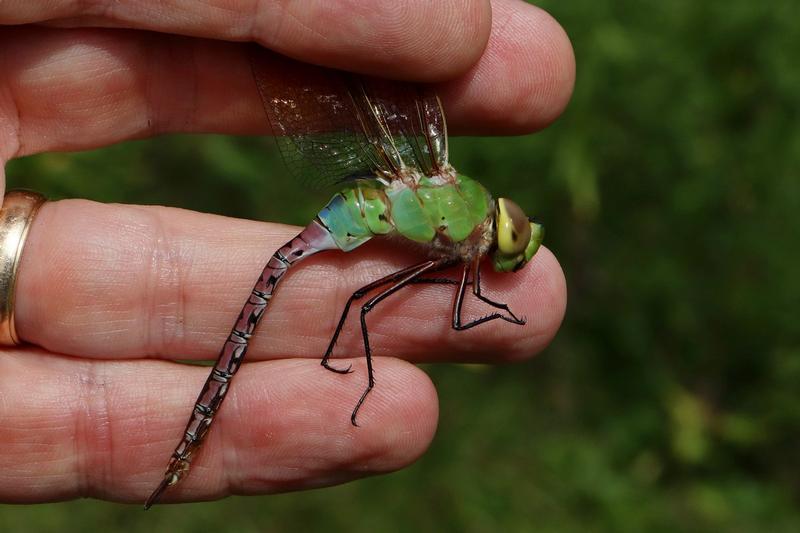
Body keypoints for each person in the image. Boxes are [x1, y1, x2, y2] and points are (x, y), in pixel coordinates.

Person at [0, 0, 572, 505]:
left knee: (361, 302)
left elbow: (439, 300)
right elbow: (448, 310)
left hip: (372, 206)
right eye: (509, 233)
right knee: (360, 303)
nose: (506, 235)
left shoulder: (456, 217)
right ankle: (201, 434)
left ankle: (206, 437)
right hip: (343, 221)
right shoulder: (463, 233)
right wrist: (489, 304)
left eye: (510, 233)